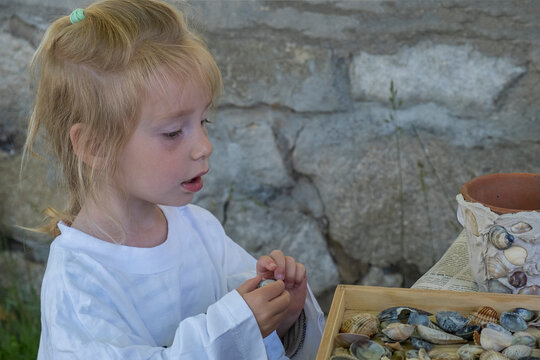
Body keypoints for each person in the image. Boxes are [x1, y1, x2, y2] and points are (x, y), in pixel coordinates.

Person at [24, 0, 325, 358]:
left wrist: (283, 315)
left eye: (203, 122)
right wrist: (232, 329)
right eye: (172, 132)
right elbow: (231, 331)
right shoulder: (78, 283)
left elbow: (252, 331)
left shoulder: (198, 229)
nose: (204, 146)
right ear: (94, 146)